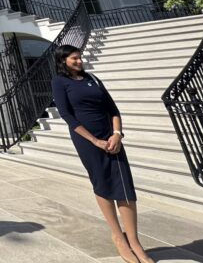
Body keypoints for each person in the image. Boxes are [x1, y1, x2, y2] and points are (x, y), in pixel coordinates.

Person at [51, 44, 154, 263]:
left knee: (125, 187)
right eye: (74, 59)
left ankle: (134, 241)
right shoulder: (60, 82)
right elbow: (67, 116)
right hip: (88, 141)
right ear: (63, 61)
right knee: (102, 184)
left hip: (111, 138)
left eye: (80, 57)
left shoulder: (93, 79)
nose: (79, 61)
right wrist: (94, 140)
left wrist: (117, 134)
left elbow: (112, 109)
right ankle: (118, 237)